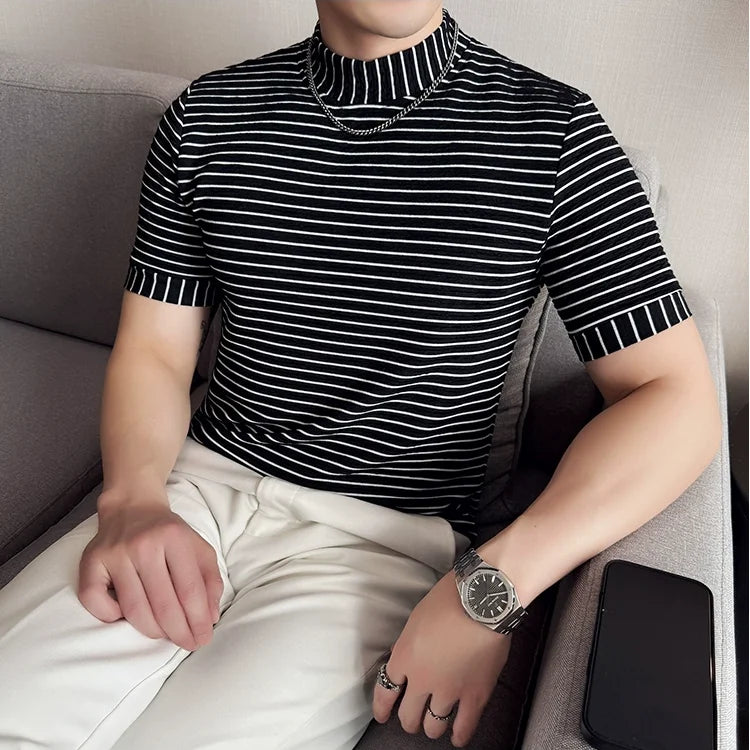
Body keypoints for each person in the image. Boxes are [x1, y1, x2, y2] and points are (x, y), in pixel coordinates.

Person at [0, 2, 721, 749]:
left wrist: (490, 588)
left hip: (379, 544)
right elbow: (155, 349)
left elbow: (674, 398)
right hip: (190, 489)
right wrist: (130, 500)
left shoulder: (552, 133)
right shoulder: (208, 115)